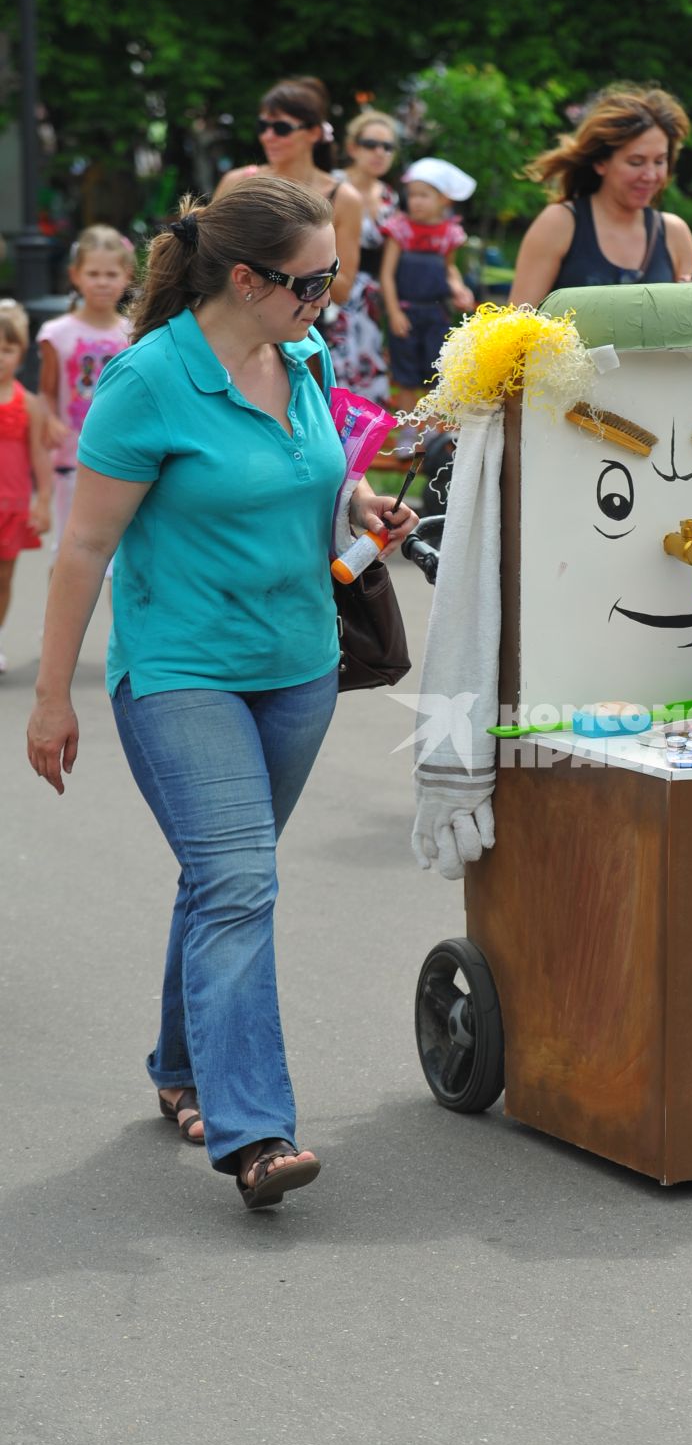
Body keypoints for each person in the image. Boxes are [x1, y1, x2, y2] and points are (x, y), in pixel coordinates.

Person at [25, 176, 418, 1208]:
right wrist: (51, 697)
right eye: (309, 280)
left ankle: (180, 1065)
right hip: (180, 674)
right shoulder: (146, 383)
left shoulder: (301, 352)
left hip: (299, 670)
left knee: (222, 880)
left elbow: (317, 471)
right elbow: (84, 550)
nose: (328, 297)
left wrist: (366, 500)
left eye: (334, 273)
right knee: (240, 883)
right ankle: (253, 1134)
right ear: (243, 278)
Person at [510, 84, 692, 305]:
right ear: (601, 162)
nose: (650, 175)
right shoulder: (559, 223)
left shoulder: (674, 233)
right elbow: (517, 323)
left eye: (659, 161)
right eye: (635, 162)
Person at [216, 76, 361, 314]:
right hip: (240, 315)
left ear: (314, 133)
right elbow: (209, 256)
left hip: (305, 323)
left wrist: (284, 268)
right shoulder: (238, 182)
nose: (268, 136)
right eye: (263, 126)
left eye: (281, 128)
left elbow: (343, 290)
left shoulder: (344, 198)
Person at [38, 225, 134, 555]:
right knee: (69, 551)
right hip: (72, 462)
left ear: (127, 275)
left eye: (111, 273)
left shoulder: (134, 333)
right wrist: (49, 419)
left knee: (119, 561)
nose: (103, 282)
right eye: (93, 273)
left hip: (125, 459)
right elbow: (47, 390)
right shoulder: (56, 333)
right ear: (75, 275)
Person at [381, 157, 476, 414]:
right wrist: (394, 313)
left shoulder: (449, 233)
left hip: (437, 314)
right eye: (412, 195)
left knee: (435, 370)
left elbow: (449, 269)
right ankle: (408, 428)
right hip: (405, 312)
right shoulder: (400, 229)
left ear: (444, 199)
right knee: (405, 373)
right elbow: (387, 275)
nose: (416, 201)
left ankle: (432, 429)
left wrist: (459, 288)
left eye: (424, 195)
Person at [325, 108, 401, 399]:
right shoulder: (331, 184)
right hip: (332, 284)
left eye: (387, 147)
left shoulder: (388, 197)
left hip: (369, 295)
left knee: (365, 373)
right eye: (371, 144)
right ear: (352, 147)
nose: (379, 152)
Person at [0, 300, 52, 674]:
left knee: (4, 577)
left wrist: (44, 501)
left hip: (12, 507)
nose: (0, 357)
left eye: (7, 349)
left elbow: (39, 457)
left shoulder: (29, 404)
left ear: (20, 354)